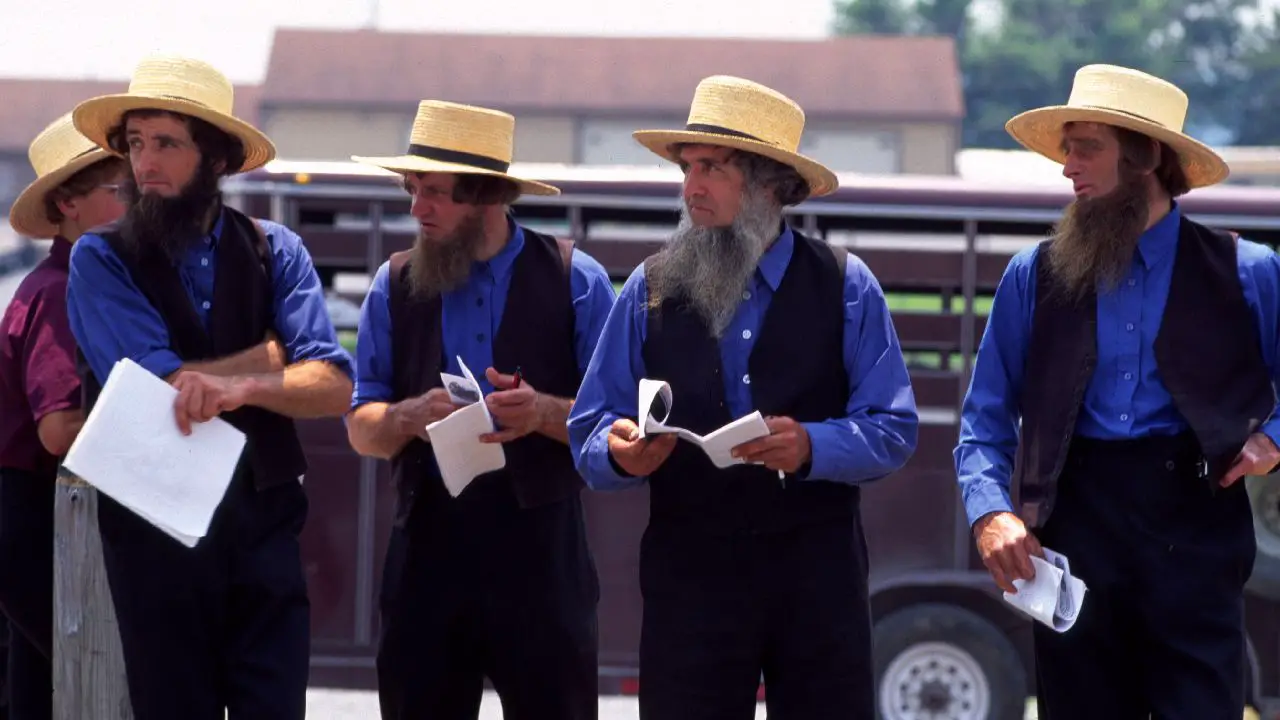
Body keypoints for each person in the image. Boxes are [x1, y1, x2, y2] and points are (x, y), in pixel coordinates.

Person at [567, 75, 918, 720]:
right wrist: (620, 453)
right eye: (687, 168)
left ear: (769, 184)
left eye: (712, 169)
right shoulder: (648, 288)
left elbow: (893, 427)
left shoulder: (847, 285)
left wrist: (813, 445)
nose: (690, 187)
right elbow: (589, 425)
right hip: (690, 572)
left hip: (818, 574)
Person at [955, 64, 1280, 719]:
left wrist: (1273, 439)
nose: (1068, 167)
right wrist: (992, 512)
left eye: (1086, 147)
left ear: (1147, 156)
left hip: (1196, 528)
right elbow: (984, 420)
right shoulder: (1032, 276)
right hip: (1074, 533)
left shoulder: (1249, 272)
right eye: (1066, 148)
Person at [64, 54, 354, 720]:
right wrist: (266, 362)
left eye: (166, 143)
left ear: (217, 159)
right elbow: (157, 386)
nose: (145, 163)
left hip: (266, 525)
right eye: (135, 144)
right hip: (155, 533)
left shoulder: (274, 248)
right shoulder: (100, 258)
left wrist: (243, 385)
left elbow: (334, 384)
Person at [345, 100, 616, 720]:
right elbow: (361, 427)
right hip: (426, 551)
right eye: (413, 189)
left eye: (436, 194)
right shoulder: (393, 284)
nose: (417, 209)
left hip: (542, 553)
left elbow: (619, 424)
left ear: (488, 197)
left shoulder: (578, 279)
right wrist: (407, 416)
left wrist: (543, 412)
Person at [0, 112, 127, 720]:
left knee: (40, 683)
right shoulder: (58, 289)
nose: (136, 203)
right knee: (79, 673)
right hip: (29, 514)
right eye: (119, 191)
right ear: (69, 204)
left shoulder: (74, 281)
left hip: (38, 513)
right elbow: (57, 429)